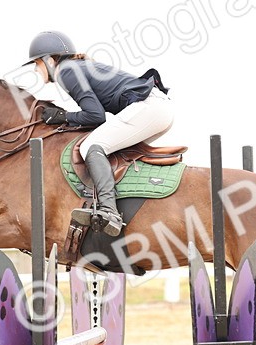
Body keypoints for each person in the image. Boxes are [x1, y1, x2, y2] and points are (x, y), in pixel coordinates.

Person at [26, 30, 173, 236]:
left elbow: (95, 116)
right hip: (154, 109)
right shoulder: (74, 68)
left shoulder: (65, 72)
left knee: (91, 146)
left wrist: (64, 117)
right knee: (108, 148)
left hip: (149, 109)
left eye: (36, 63)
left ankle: (109, 211)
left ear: (50, 61)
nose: (35, 69)